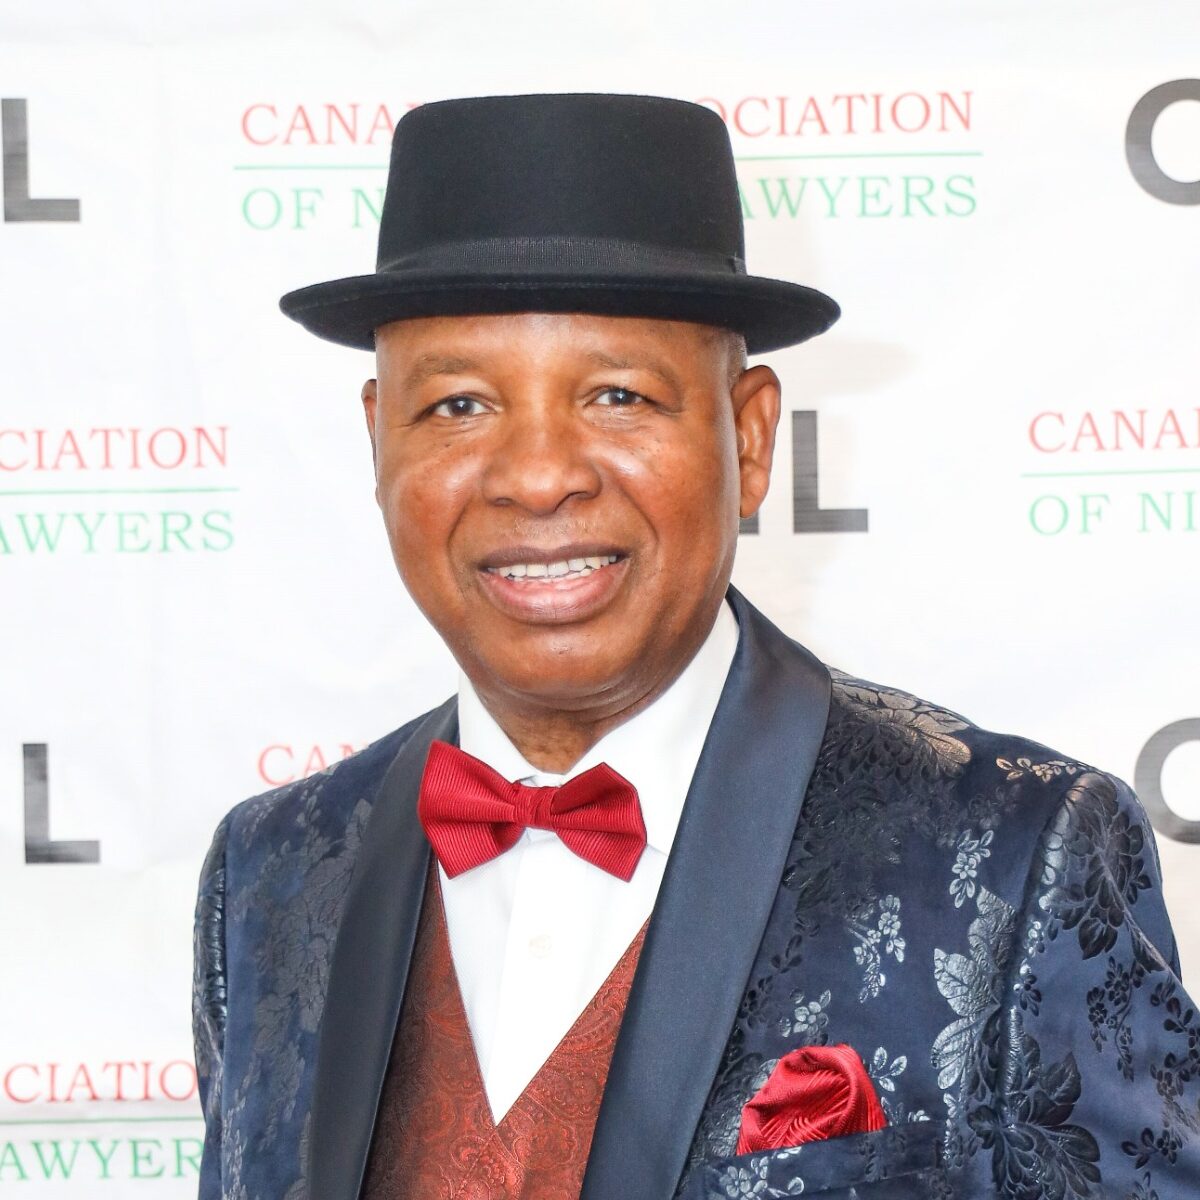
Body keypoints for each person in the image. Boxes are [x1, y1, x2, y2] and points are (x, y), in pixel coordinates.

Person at [191, 93, 1200, 1200]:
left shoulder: (1017, 852)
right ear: (378, 440)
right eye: (460, 406)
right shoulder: (270, 874)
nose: (539, 475)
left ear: (751, 438)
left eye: (618, 395)